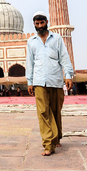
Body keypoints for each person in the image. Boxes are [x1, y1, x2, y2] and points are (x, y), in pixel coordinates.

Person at [26, 11, 73, 156]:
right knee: (43, 112)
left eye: (42, 23)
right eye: (37, 24)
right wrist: (30, 81)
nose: (40, 26)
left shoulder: (57, 39)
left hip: (55, 79)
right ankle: (48, 143)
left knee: (55, 110)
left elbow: (64, 57)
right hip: (39, 81)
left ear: (47, 22)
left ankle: (57, 136)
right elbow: (30, 63)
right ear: (34, 25)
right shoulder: (31, 41)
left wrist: (68, 75)